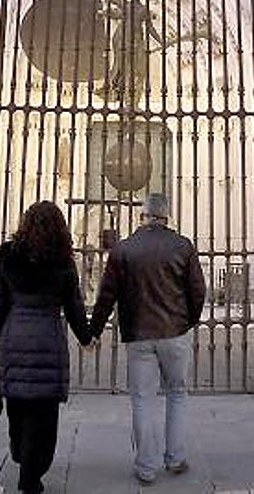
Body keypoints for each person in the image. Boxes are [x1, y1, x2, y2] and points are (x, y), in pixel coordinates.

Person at [88, 193, 207, 484]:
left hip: (138, 334)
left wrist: (92, 331)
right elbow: (198, 290)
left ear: (142, 216)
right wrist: (187, 321)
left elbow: (106, 296)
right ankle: (176, 457)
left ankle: (145, 466)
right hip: (175, 332)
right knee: (177, 394)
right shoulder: (183, 246)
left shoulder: (123, 249)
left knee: (142, 399)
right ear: (167, 217)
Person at [0, 201, 92, 494]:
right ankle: (32, 471)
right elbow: (74, 307)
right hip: (48, 340)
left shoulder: (9, 255)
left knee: (17, 405)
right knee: (44, 416)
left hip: (14, 337)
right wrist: (85, 337)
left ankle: (20, 452)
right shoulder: (63, 260)